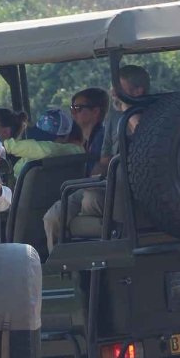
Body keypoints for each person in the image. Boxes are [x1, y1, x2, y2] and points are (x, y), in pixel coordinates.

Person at [42, 67, 150, 250]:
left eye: (119, 87)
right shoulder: (114, 118)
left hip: (132, 187)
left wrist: (127, 108)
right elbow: (104, 160)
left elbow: (142, 136)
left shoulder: (155, 114)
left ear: (137, 91)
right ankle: (60, 270)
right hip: (106, 183)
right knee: (53, 215)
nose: (113, 92)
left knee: (90, 200)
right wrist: (91, 180)